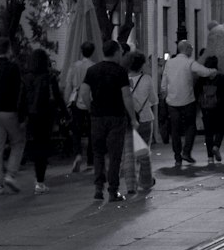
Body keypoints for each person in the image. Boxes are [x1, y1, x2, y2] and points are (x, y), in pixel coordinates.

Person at [83, 39, 135, 202]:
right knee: (115, 154)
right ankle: (113, 190)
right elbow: (126, 96)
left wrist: (90, 107)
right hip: (116, 117)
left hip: (97, 116)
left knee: (98, 152)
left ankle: (98, 188)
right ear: (116, 52)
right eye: (120, 52)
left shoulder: (92, 70)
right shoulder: (120, 72)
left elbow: (84, 92)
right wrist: (132, 117)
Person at [160, 39, 215, 168]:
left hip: (172, 100)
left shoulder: (169, 63)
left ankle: (177, 156)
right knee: (190, 126)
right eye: (191, 47)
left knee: (175, 129)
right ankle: (186, 151)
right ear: (187, 49)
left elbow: (164, 80)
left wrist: (164, 93)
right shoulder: (189, 62)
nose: (192, 50)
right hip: (187, 99)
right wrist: (213, 71)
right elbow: (203, 71)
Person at [0, 36, 27, 195]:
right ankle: (11, 174)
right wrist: (21, 114)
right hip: (9, 111)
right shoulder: (13, 68)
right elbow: (19, 91)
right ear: (8, 49)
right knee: (18, 142)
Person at [25, 48, 65, 193]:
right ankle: (40, 180)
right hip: (46, 115)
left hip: (31, 116)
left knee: (35, 145)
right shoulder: (49, 77)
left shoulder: (27, 78)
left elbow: (23, 98)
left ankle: (38, 178)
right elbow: (58, 97)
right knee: (43, 146)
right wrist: (65, 113)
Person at [122, 50, 157, 194]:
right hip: (145, 118)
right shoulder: (147, 79)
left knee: (129, 154)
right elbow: (154, 99)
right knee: (144, 152)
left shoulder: (123, 79)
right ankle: (146, 181)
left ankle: (131, 184)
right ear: (141, 64)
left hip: (128, 119)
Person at [67, 41, 96, 174]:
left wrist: (67, 100)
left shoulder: (74, 66)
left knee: (76, 129)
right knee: (92, 130)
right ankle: (91, 159)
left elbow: (69, 84)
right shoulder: (94, 67)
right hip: (90, 98)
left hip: (76, 97)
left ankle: (77, 153)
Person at [198, 54, 224, 163]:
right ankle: (216, 146)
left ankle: (210, 157)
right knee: (220, 129)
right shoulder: (221, 77)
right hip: (219, 108)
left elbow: (197, 92)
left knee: (208, 132)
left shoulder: (202, 78)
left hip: (206, 108)